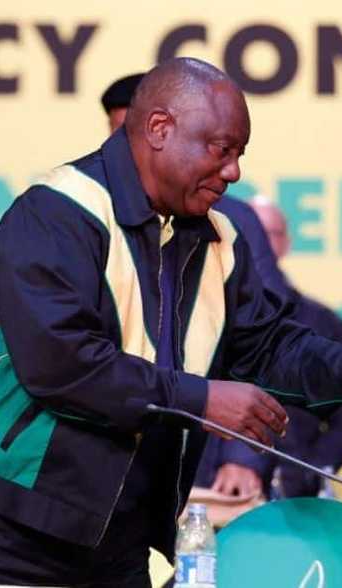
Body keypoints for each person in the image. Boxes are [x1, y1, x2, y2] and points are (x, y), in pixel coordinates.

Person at [0, 58, 342, 586]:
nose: (234, 171)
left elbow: (271, 346)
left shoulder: (218, 241)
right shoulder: (56, 212)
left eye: (240, 155)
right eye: (221, 149)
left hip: (116, 532)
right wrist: (203, 401)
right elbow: (61, 364)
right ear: (160, 129)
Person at [102, 72, 294, 500]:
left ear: (163, 130)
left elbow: (260, 346)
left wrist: (243, 455)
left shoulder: (234, 224)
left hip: (207, 453)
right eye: (117, 137)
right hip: (110, 460)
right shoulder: (83, 215)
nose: (127, 153)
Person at [247, 195, 342, 498]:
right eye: (249, 232)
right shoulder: (200, 310)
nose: (256, 243)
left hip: (292, 496)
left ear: (286, 243)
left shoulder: (321, 322)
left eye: (268, 234)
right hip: (209, 493)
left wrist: (309, 469)